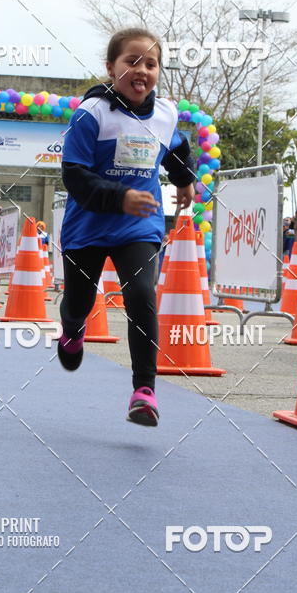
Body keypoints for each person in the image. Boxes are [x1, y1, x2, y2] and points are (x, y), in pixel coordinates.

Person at [57, 27, 195, 427]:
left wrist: (184, 179)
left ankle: (144, 391)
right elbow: (74, 176)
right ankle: (72, 329)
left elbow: (176, 148)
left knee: (141, 294)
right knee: (79, 303)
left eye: (151, 64)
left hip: (139, 226)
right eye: (131, 62)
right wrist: (119, 197)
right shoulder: (92, 115)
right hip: (87, 226)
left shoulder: (165, 114)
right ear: (111, 67)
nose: (142, 70)